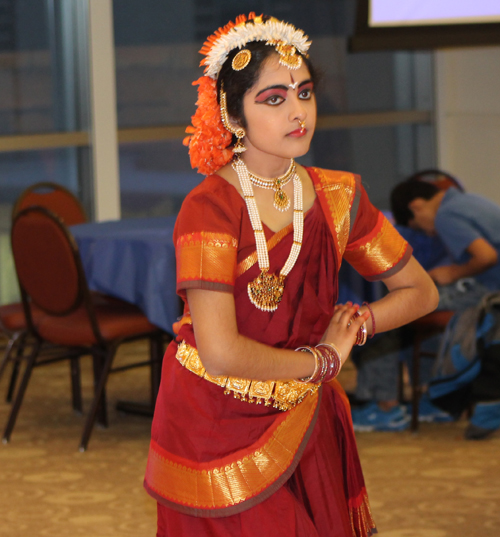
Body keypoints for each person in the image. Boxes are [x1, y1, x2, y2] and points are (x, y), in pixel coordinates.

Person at [143, 14, 437, 536]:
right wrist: (323, 361)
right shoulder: (208, 207)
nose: (298, 112)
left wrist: (355, 324)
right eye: (274, 99)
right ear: (234, 116)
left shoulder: (339, 196)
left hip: (306, 412)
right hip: (215, 420)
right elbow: (220, 351)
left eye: (304, 93)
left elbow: (421, 291)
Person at [352, 174, 500, 435]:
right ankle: (435, 402)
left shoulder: (447, 215)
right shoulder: (471, 201)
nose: (429, 232)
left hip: (489, 293)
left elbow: (486, 256)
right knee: (418, 307)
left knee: (389, 313)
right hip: (488, 289)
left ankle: (386, 408)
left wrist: (453, 273)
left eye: (419, 226)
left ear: (416, 206)